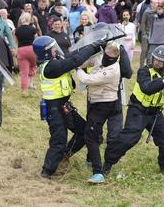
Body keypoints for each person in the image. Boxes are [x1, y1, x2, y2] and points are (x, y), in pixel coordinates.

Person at [33, 35, 109, 179]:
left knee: (83, 131)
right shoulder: (51, 67)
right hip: (54, 109)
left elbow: (74, 54)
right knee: (58, 141)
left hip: (63, 106)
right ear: (47, 52)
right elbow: (75, 60)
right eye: (53, 48)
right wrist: (93, 47)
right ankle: (47, 172)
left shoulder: (55, 61)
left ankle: (64, 156)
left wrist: (93, 45)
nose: (56, 49)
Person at [103, 45, 164, 176]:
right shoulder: (144, 71)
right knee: (130, 138)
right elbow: (147, 88)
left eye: (161, 60)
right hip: (138, 110)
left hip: (155, 113)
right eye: (156, 59)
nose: (157, 62)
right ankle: (107, 163)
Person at [76, 42, 121, 184]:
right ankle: (91, 160)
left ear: (117, 56)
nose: (106, 58)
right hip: (96, 102)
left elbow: (88, 79)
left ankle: (98, 172)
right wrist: (79, 61)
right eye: (106, 55)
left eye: (111, 56)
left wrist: (77, 68)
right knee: (94, 132)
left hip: (105, 105)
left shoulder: (113, 69)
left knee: (90, 135)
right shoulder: (102, 57)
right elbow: (90, 61)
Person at [15, 12, 37, 92]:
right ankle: (31, 84)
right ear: (29, 19)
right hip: (32, 49)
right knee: (33, 66)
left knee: (24, 72)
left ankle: (24, 89)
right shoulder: (32, 29)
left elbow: (16, 42)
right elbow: (36, 40)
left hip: (21, 50)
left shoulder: (17, 30)